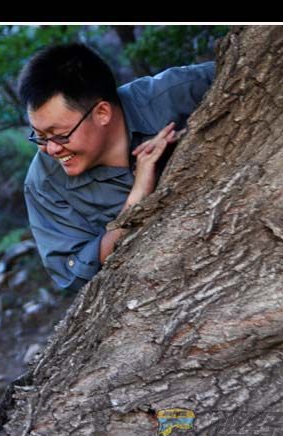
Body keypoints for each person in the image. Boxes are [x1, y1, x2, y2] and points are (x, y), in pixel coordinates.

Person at [21, 43, 215, 291]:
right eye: (39, 136)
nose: (50, 149)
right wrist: (137, 201)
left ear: (102, 112)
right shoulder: (45, 184)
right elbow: (75, 275)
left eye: (59, 135)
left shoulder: (178, 94)